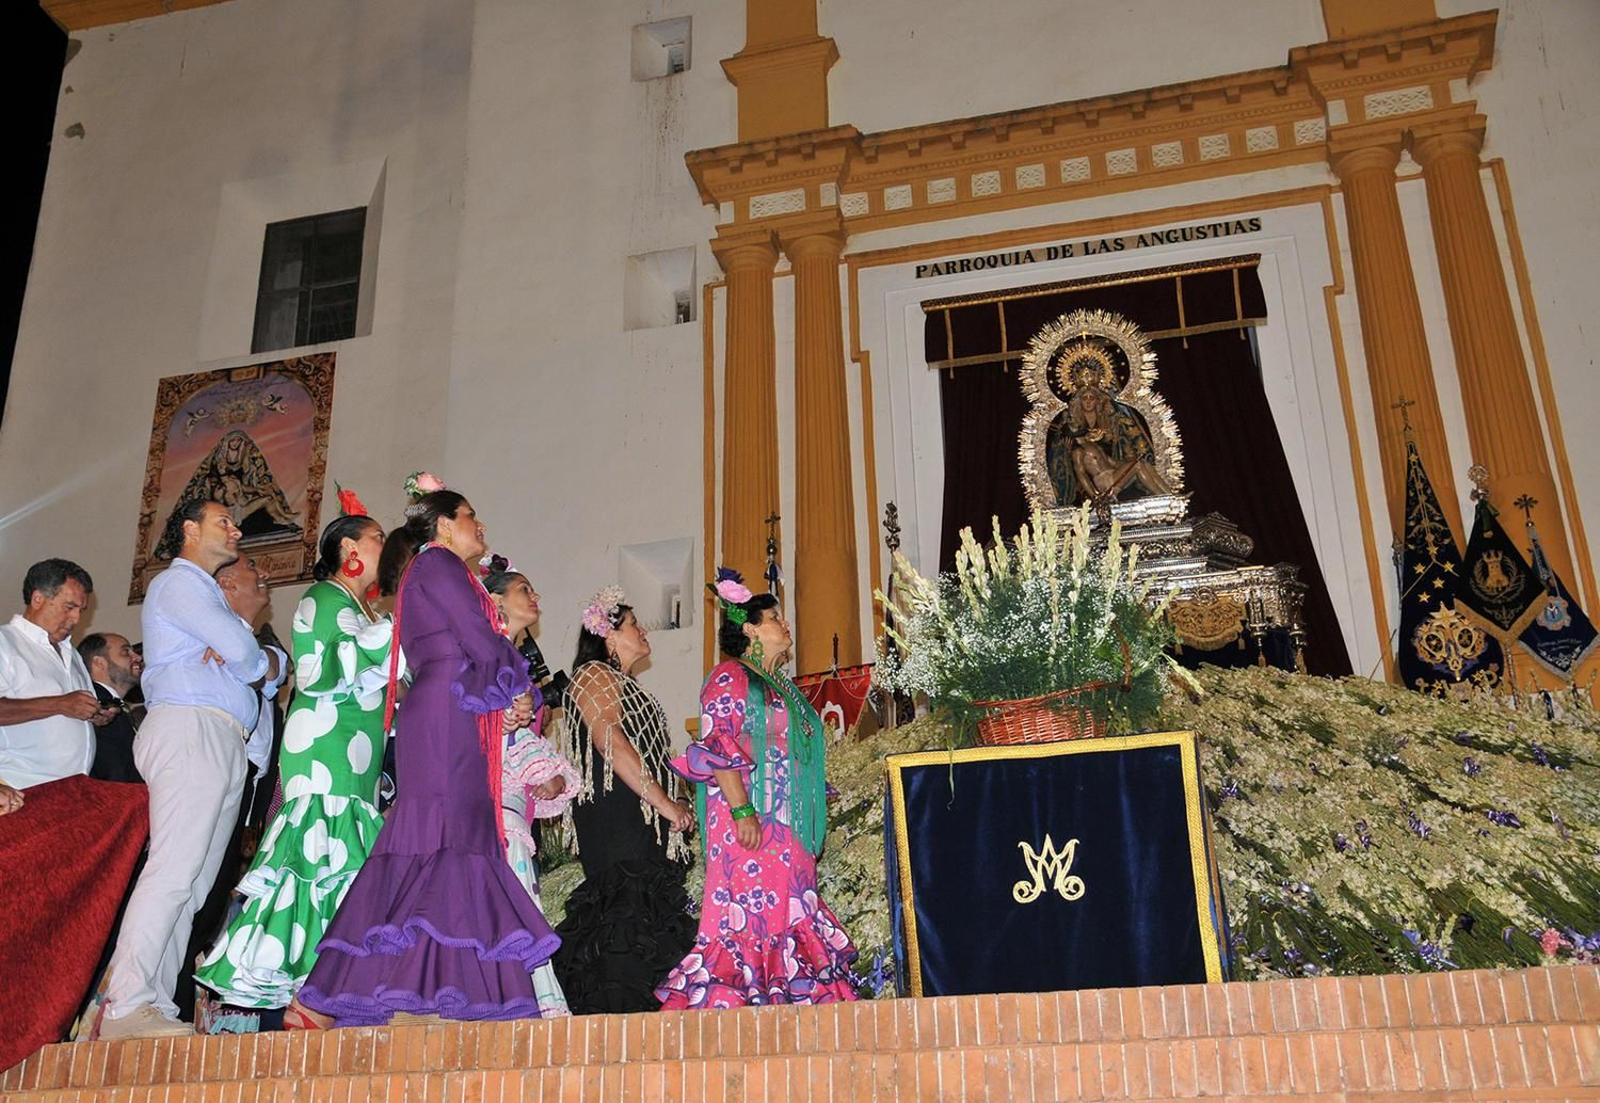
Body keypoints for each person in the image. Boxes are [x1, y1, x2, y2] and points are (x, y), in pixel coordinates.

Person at [298, 489, 560, 1026]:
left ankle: (423, 987)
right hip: (444, 711)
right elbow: (477, 638)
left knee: (445, 841)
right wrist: (515, 683)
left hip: (451, 707)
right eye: (470, 516)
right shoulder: (437, 563)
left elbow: (472, 645)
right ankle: (327, 995)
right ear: (443, 524)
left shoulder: (436, 567)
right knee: (438, 838)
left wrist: (506, 692)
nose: (480, 524)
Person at [197, 512, 396, 1024]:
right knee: (318, 859)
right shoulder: (324, 597)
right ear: (349, 547)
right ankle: (306, 990)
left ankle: (325, 984)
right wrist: (405, 621)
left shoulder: (364, 609)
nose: (386, 546)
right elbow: (319, 669)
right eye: (377, 538)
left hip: (358, 755)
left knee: (343, 868)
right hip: (326, 745)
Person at [101, 501, 286, 1039]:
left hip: (223, 735)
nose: (235, 529)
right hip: (189, 727)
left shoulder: (209, 597)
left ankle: (151, 1002)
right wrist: (245, 656)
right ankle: (123, 1001)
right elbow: (247, 656)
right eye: (223, 522)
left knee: (197, 885)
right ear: (188, 529)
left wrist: (247, 658)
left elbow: (262, 669)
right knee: (174, 870)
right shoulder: (180, 584)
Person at [657, 569, 858, 1009]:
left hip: (787, 830)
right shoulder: (731, 676)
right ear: (748, 628)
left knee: (790, 914)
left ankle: (784, 1006)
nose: (784, 624)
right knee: (752, 917)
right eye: (773, 617)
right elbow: (716, 741)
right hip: (749, 824)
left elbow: (795, 754)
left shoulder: (781, 687)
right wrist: (742, 809)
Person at [551, 586, 696, 1014]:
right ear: (609, 635)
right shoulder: (594, 673)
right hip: (619, 815)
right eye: (634, 623)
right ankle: (619, 1025)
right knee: (624, 911)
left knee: (643, 915)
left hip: (638, 815)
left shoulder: (621, 682)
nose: (644, 630)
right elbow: (608, 738)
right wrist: (666, 805)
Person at [482, 563, 579, 1017]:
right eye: (525, 588)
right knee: (506, 908)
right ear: (496, 601)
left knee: (516, 907)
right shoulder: (484, 655)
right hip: (489, 803)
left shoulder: (515, 661)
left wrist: (544, 773)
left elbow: (520, 737)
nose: (535, 594)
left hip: (513, 800)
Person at [0, 559, 110, 796]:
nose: (76, 619)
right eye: (68, 607)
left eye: (81, 610)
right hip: (19, 789)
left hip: (74, 790)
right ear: (38, 599)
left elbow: (69, 711)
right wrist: (60, 704)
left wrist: (93, 713)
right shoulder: (4, 642)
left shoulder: (72, 654)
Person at [78, 633, 146, 784]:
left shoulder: (116, 705)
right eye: (125, 652)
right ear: (99, 663)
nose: (138, 657)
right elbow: (114, 770)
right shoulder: (96, 707)